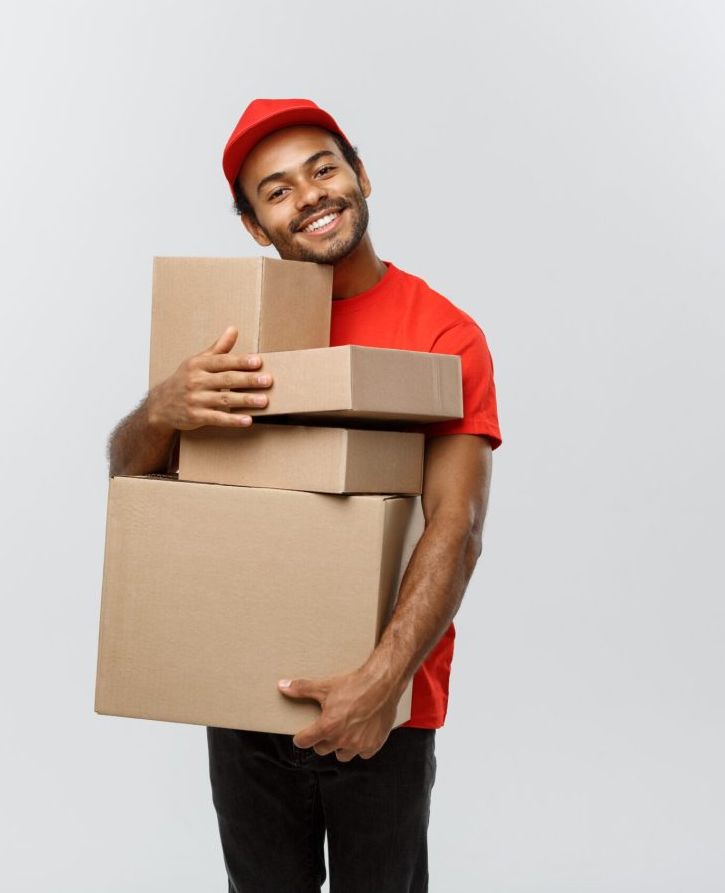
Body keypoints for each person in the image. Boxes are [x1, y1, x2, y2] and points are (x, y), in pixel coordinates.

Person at [107, 98, 502, 893]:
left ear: (359, 176)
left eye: (323, 169)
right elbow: (131, 477)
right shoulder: (234, 330)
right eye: (277, 190)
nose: (310, 194)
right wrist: (162, 409)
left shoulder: (443, 332)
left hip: (384, 704)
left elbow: (455, 526)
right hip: (244, 688)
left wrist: (379, 683)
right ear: (256, 226)